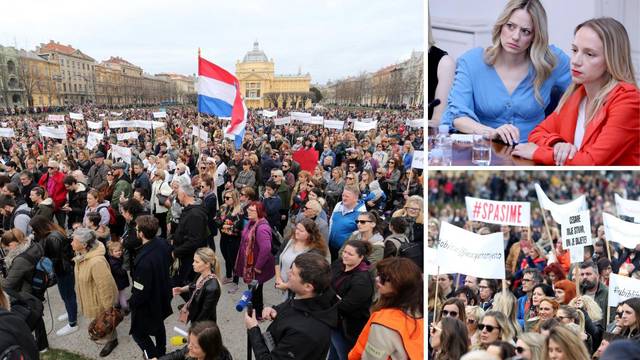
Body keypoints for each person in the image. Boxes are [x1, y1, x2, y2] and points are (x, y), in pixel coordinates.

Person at [441, 0, 571, 144]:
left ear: (535, 36)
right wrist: (492, 133)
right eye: (510, 26)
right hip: (485, 152)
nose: (515, 36)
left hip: (532, 153)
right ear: (501, 25)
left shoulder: (551, 60)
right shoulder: (471, 62)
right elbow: (457, 117)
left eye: (525, 31)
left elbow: (587, 85)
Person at [514, 17, 640, 165]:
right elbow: (536, 133)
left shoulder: (629, 101)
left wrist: (538, 152)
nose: (575, 61)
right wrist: (557, 144)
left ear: (611, 60)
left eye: (589, 54)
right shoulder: (577, 95)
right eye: (575, 50)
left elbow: (591, 163)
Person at [245, 252, 338, 360]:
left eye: (293, 273)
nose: (288, 273)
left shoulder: (304, 335)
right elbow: (294, 308)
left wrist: (253, 329)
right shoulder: (308, 297)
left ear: (308, 287)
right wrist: (276, 310)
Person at [349, 257, 423, 360]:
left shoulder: (385, 322)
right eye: (378, 274)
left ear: (399, 285)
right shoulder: (419, 312)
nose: (377, 279)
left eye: (384, 278)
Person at [128, 215, 173, 359]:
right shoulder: (162, 243)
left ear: (141, 233)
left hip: (149, 301)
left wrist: (131, 303)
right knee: (159, 326)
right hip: (162, 293)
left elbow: (141, 291)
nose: (135, 231)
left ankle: (153, 356)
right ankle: (161, 352)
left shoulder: (144, 262)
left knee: (138, 334)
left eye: (136, 229)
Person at [71, 228, 119, 357]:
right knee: (98, 323)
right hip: (90, 299)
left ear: (84, 244)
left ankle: (112, 340)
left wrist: (108, 308)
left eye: (74, 241)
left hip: (99, 302)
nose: (71, 243)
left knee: (106, 322)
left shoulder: (96, 262)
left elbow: (106, 287)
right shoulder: (81, 256)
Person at [0, 228, 49, 352]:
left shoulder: (20, 260)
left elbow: (8, 284)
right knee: (38, 314)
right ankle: (42, 344)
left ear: (12, 244)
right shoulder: (32, 245)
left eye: (6, 248)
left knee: (31, 317)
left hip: (26, 291)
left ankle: (38, 345)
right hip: (36, 284)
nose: (6, 252)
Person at [29, 215, 78, 337]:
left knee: (68, 295)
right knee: (67, 295)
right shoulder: (53, 233)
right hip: (64, 269)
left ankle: (72, 323)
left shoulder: (52, 238)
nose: (33, 231)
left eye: (34, 229)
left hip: (64, 270)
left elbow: (54, 258)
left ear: (39, 227)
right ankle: (70, 311)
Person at [329, 240, 375, 360]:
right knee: (333, 353)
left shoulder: (362, 281)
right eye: (344, 251)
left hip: (347, 328)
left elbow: (346, 306)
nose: (345, 255)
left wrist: (328, 295)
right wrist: (335, 297)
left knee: (344, 355)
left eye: (350, 254)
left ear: (361, 257)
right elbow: (326, 280)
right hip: (334, 321)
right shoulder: (339, 263)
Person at [235, 201, 274, 317]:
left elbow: (266, 248)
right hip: (250, 264)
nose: (248, 211)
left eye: (252, 210)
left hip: (256, 266)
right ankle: (255, 308)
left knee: (256, 289)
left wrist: (258, 267)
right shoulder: (252, 222)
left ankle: (258, 313)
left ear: (259, 212)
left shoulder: (262, 228)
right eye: (248, 209)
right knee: (254, 289)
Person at [274, 218, 329, 297]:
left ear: (310, 234)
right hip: (282, 284)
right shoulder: (290, 240)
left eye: (301, 231)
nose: (297, 232)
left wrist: (287, 286)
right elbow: (278, 257)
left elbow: (308, 277)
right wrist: (278, 278)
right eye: (297, 228)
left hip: (297, 292)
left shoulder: (315, 252)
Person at [172, 183, 209, 296]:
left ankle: (192, 307)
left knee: (186, 283)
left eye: (178, 195)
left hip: (191, 257)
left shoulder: (194, 214)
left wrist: (176, 252)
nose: (177, 197)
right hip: (188, 254)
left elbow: (194, 241)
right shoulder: (190, 210)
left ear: (183, 195)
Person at [172, 247, 221, 324]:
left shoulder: (213, 288)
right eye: (194, 260)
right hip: (195, 316)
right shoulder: (201, 273)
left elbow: (204, 315)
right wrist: (182, 289)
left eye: (196, 262)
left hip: (203, 326)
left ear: (207, 264)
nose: (193, 264)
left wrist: (193, 330)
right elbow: (195, 285)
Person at [214, 189, 243, 293]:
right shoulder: (224, 208)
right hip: (224, 237)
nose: (225, 200)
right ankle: (229, 275)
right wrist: (224, 224)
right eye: (224, 197)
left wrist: (225, 224)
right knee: (226, 257)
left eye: (227, 198)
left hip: (234, 239)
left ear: (234, 198)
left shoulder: (239, 210)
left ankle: (235, 282)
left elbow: (235, 227)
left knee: (234, 260)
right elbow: (217, 221)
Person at [155, 321, 232, 360]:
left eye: (195, 346)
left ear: (208, 349)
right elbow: (177, 355)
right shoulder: (192, 347)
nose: (189, 347)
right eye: (189, 342)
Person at [328, 187, 366, 262]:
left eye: (347, 196)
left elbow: (360, 234)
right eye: (343, 195)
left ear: (355, 198)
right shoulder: (339, 205)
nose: (344, 198)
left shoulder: (361, 213)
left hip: (345, 252)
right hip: (331, 247)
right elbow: (331, 222)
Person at [38, 159, 67, 226]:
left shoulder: (62, 177)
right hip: (47, 202)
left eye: (51, 168)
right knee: (48, 223)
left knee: (61, 223)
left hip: (59, 203)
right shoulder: (45, 176)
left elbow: (66, 189)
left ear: (56, 168)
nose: (49, 169)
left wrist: (63, 200)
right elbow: (40, 186)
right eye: (48, 167)